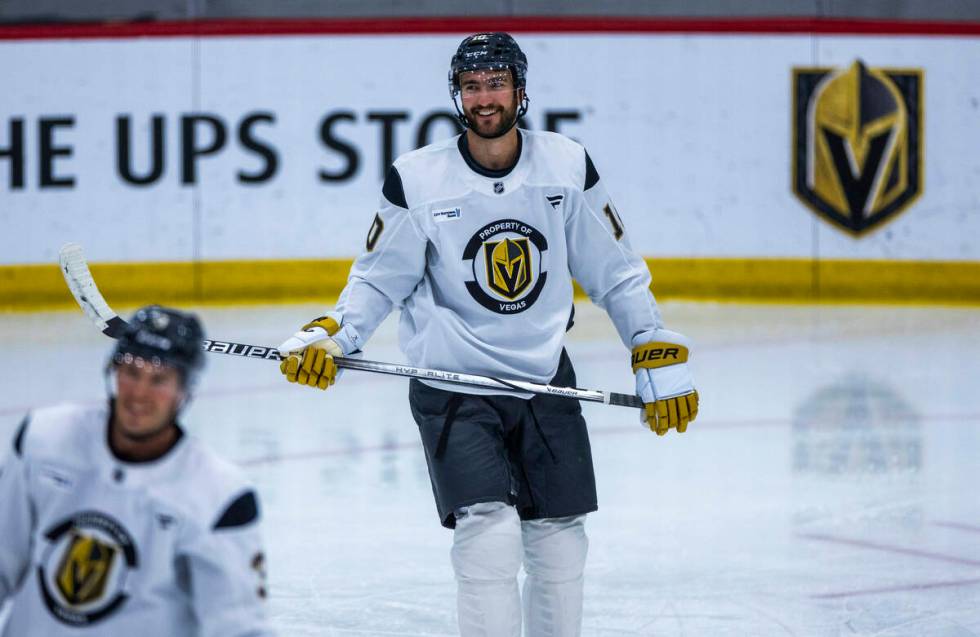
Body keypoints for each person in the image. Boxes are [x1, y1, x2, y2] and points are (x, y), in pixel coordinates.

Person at [278, 32, 699, 636]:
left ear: (520, 90)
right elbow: (378, 279)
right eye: (472, 85)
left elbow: (616, 271)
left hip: (543, 377)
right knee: (488, 534)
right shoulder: (418, 179)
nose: (484, 97)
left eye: (496, 83)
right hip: (453, 384)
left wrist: (649, 343)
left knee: (558, 541)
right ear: (457, 93)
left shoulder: (566, 165)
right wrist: (335, 335)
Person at [0, 306, 272, 637]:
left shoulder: (219, 498)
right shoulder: (43, 440)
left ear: (184, 390)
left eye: (158, 379)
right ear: (112, 372)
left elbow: (238, 629)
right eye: (130, 372)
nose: (139, 393)